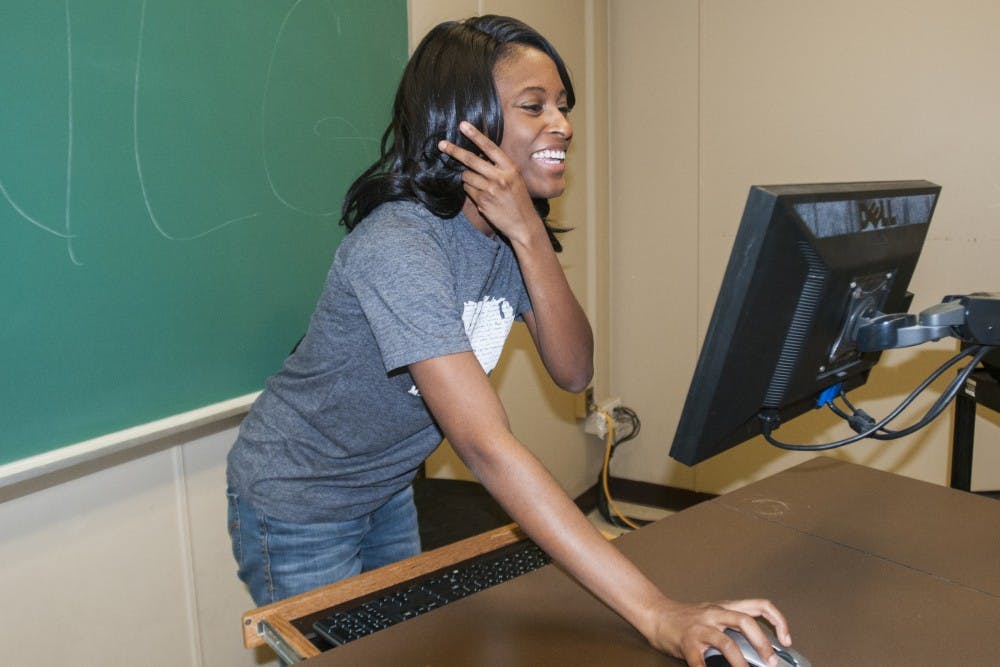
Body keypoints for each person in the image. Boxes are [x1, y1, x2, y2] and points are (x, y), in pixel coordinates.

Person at [226, 15, 792, 667]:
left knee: (401, 650)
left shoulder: (503, 234)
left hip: (386, 486)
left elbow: (574, 370)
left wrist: (528, 235)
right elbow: (485, 446)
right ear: (464, 124)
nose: (564, 125)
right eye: (535, 106)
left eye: (563, 107)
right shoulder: (400, 246)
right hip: (300, 494)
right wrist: (657, 612)